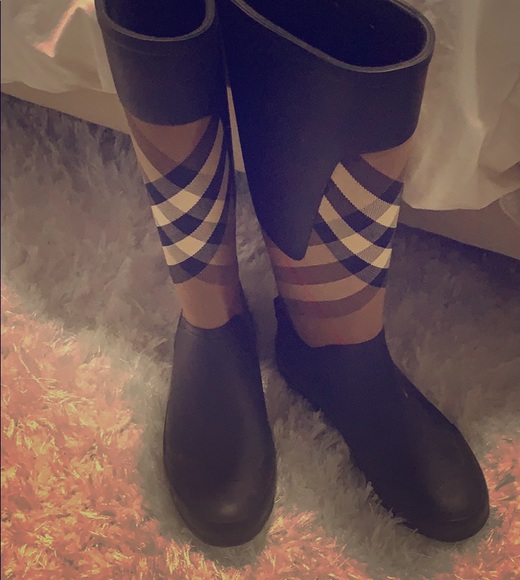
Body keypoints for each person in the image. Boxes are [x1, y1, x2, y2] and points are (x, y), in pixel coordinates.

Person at [95, 0, 489, 547]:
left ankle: (330, 348)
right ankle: (215, 321)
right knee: (159, 21)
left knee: (353, 44)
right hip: (210, 311)